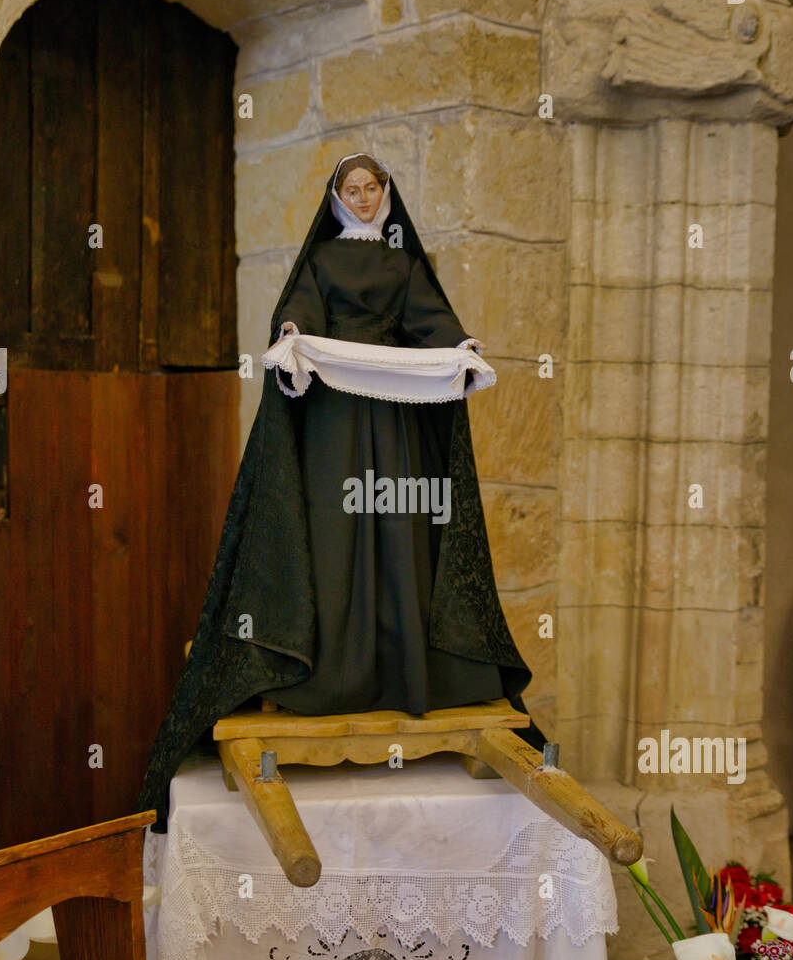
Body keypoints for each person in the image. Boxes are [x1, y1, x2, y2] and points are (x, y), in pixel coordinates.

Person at [138, 153, 544, 830]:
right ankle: (322, 676)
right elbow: (296, 312)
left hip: (396, 417)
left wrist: (458, 342)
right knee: (333, 533)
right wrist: (294, 333)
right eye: (350, 189)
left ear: (384, 194)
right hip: (332, 423)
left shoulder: (402, 261)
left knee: (400, 532)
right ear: (336, 197)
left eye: (370, 188)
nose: (360, 197)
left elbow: (430, 322)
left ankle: (407, 673)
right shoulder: (323, 259)